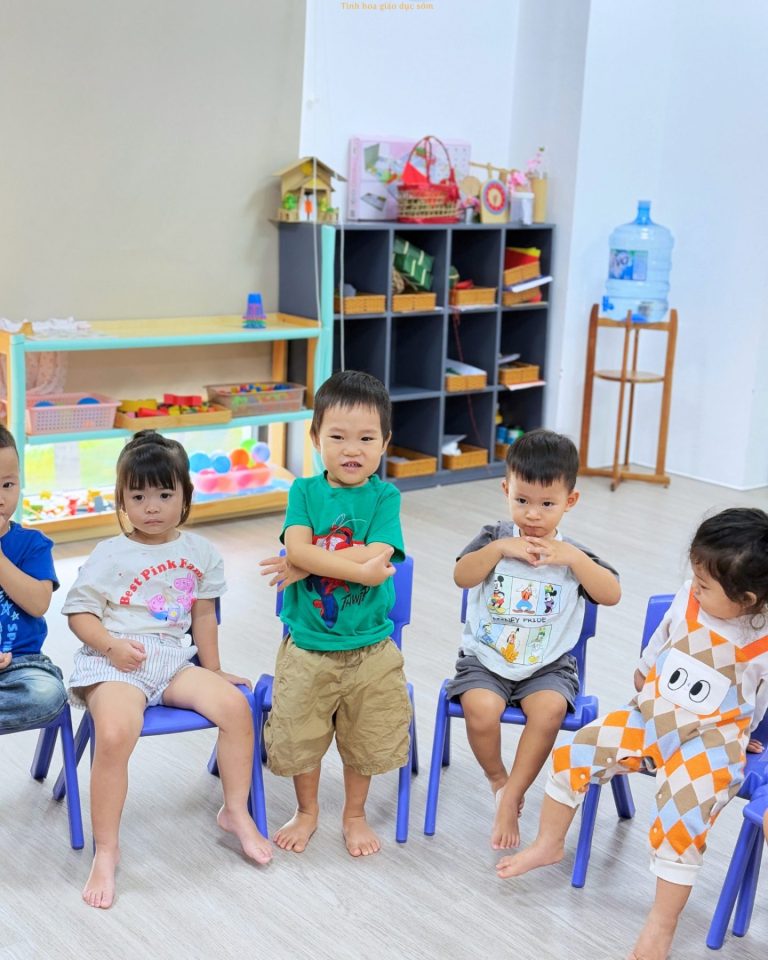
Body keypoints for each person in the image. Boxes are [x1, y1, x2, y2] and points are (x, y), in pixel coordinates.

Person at [497, 507, 768, 960]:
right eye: (695, 577)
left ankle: (661, 925)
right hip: (650, 717)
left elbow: (759, 699)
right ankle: (548, 843)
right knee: (573, 755)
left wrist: (748, 733)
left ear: (746, 598)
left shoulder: (762, 642)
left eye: (705, 585)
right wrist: (643, 675)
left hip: (710, 741)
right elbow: (660, 642)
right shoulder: (687, 600)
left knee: (680, 825)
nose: (694, 588)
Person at [63, 430, 272, 909]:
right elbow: (79, 615)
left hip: (172, 659)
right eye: (138, 497)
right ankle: (107, 849)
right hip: (114, 660)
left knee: (236, 709)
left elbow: (203, 616)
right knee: (115, 733)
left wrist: (213, 669)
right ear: (121, 500)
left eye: (163, 494)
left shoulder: (201, 552)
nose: (151, 507)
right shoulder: (109, 553)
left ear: (185, 497)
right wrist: (111, 646)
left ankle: (235, 812)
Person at [259, 370, 411, 858]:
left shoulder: (385, 496)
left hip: (371, 647)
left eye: (366, 438)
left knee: (365, 737)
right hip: (308, 646)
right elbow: (301, 549)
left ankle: (355, 814)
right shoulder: (303, 492)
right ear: (315, 439)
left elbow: (378, 553)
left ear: (384, 442)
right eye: (338, 437)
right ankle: (306, 811)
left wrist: (309, 564)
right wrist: (356, 568)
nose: (352, 449)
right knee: (301, 734)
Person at [447, 429, 620, 849]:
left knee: (549, 711)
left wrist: (574, 560)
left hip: (548, 666)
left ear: (569, 501)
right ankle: (498, 779)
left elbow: (611, 593)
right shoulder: (493, 537)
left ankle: (513, 796)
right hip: (487, 658)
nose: (533, 515)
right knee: (480, 709)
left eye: (547, 504)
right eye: (522, 500)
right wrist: (497, 551)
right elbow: (462, 577)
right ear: (506, 489)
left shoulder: (573, 554)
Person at [0, 424, 66, 732]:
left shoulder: (33, 544)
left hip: (22, 665)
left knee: (48, 694)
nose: (1, 498)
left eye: (7, 484)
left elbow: (38, 604)